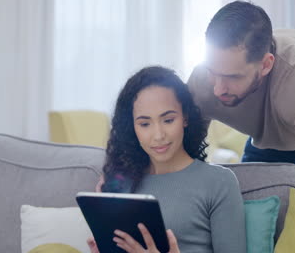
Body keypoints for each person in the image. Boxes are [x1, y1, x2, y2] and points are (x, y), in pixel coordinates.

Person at [187, 0, 295, 253]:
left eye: (233, 77)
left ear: (266, 64)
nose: (218, 88)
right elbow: (180, 157)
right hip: (266, 138)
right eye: (213, 72)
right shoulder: (201, 83)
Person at [88, 66, 246, 253]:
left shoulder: (219, 182)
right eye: (145, 124)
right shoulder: (120, 183)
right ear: (132, 127)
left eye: (168, 120)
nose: (158, 135)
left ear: (185, 117)